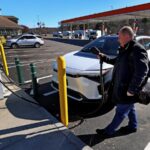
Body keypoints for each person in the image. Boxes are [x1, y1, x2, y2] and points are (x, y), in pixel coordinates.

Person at [96, 26, 149, 137]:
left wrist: (132, 89)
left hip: (129, 89)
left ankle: (108, 132)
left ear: (127, 36)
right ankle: (133, 126)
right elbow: (117, 61)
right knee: (130, 108)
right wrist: (104, 57)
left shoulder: (136, 49)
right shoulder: (124, 48)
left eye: (119, 36)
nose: (118, 39)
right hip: (122, 87)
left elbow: (142, 71)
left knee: (120, 111)